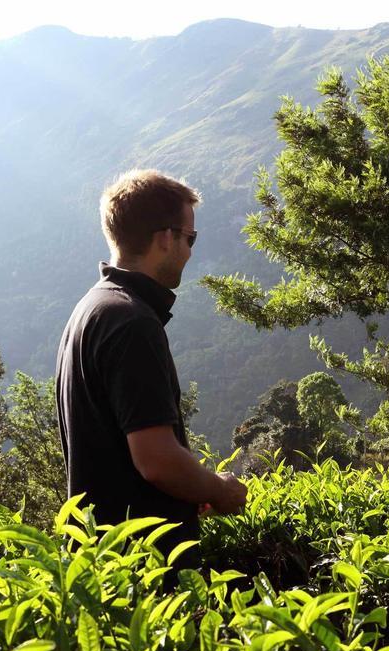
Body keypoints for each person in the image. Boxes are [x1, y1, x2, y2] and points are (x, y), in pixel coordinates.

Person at [56, 169, 247, 572]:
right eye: (189, 238)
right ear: (166, 237)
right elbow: (155, 460)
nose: (191, 251)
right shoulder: (132, 323)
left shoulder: (91, 309)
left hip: (101, 561)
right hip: (145, 568)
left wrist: (191, 490)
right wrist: (221, 490)